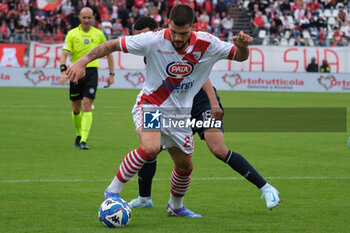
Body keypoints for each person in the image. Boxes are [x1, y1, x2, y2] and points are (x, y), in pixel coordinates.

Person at [67, 4, 253, 218]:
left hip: (179, 114)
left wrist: (243, 47)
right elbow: (111, 45)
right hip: (151, 104)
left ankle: (175, 207)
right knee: (150, 148)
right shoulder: (154, 39)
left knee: (185, 166)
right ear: (168, 25)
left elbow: (239, 56)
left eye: (183, 33)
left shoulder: (207, 42)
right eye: (173, 31)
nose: (177, 37)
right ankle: (112, 191)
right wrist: (82, 61)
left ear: (192, 28)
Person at [128, 16, 280, 211]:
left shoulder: (174, 44)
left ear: (157, 30)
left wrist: (213, 102)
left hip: (202, 104)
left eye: (145, 35)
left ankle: (266, 188)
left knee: (218, 149)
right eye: (137, 37)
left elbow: (202, 75)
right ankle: (145, 198)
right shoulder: (151, 50)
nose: (141, 40)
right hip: (176, 108)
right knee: (150, 149)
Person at [59, 7, 115, 150]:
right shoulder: (72, 34)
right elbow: (64, 54)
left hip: (91, 72)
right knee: (76, 109)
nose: (86, 20)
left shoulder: (98, 34)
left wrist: (111, 74)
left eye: (89, 18)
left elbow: (109, 53)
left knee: (87, 105)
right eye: (84, 17)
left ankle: (84, 140)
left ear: (93, 18)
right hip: (75, 72)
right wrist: (63, 71)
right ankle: (79, 135)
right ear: (79, 17)